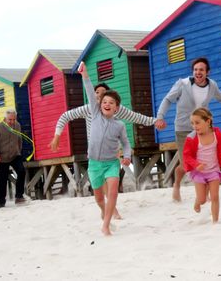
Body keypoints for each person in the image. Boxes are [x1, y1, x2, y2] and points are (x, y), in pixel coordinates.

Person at [49, 79, 165, 219]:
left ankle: (111, 210)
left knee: (109, 182)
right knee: (101, 183)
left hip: (111, 152)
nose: (99, 95)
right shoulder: (89, 108)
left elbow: (136, 117)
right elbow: (65, 116)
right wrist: (57, 136)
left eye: (103, 93)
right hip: (95, 154)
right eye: (96, 93)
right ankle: (109, 210)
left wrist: (154, 121)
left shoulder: (117, 109)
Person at [154, 57, 221, 201]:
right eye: (195, 69)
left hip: (204, 128)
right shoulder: (182, 84)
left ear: (208, 72)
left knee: (206, 160)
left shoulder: (212, 85)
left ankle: (203, 194)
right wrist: (160, 117)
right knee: (187, 163)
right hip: (183, 128)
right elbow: (167, 99)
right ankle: (176, 185)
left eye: (201, 69)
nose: (198, 72)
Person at [79, 61, 132, 236]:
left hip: (111, 163)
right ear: (100, 105)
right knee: (99, 198)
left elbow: (125, 143)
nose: (107, 104)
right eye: (104, 102)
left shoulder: (119, 125)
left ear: (116, 107)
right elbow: (88, 89)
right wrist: (85, 74)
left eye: (111, 102)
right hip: (94, 163)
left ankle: (106, 224)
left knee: (113, 191)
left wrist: (127, 156)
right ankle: (104, 211)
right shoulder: (95, 115)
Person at [182, 107, 221, 223]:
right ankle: (198, 200)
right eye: (192, 123)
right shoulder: (191, 138)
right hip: (199, 173)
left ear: (208, 121)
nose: (194, 126)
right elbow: (186, 156)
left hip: (214, 171)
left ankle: (215, 221)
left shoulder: (217, 135)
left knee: (215, 197)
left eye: (197, 123)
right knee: (202, 200)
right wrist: (196, 164)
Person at [0, 108, 26, 208]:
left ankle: (19, 196)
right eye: (10, 120)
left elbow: (20, 139)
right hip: (2, 157)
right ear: (5, 118)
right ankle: (1, 202)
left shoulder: (17, 125)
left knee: (22, 171)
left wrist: (19, 150)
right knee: (3, 179)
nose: (12, 122)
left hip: (15, 155)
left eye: (14, 119)